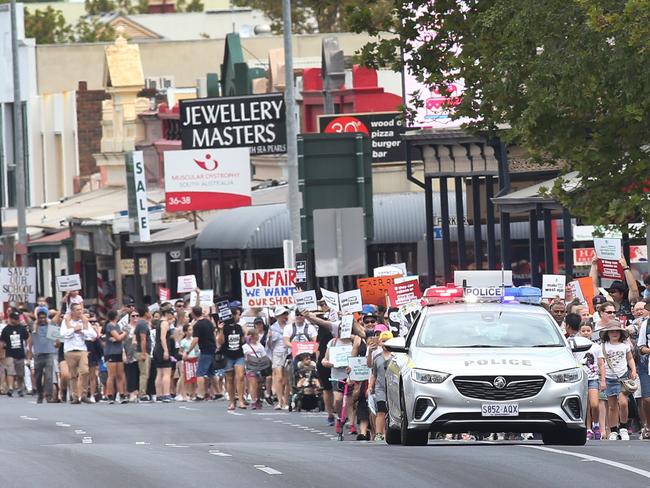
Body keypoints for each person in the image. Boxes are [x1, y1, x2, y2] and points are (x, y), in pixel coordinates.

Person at [596, 320, 637, 440]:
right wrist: (602, 380)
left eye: (617, 331)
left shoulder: (625, 346)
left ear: (621, 333)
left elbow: (630, 359)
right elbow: (601, 364)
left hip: (622, 377)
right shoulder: (603, 346)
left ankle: (623, 427)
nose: (614, 333)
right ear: (607, 333)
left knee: (623, 403)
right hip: (609, 378)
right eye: (611, 331)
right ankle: (613, 429)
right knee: (612, 406)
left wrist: (633, 370)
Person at [303, 310, 339, 426]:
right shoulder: (324, 327)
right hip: (325, 361)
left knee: (341, 390)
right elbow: (319, 346)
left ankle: (342, 414)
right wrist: (318, 362)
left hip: (341, 361)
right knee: (327, 388)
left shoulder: (344, 326)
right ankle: (330, 414)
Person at [568, 316, 601, 440]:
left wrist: (602, 380)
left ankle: (596, 424)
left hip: (593, 378)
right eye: (583, 331)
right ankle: (587, 428)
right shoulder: (574, 345)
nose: (586, 333)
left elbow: (601, 364)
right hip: (581, 379)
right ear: (579, 332)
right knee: (584, 405)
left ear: (592, 331)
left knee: (594, 404)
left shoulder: (596, 347)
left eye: (588, 330)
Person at [60, 303, 97, 404]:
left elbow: (93, 335)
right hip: (69, 350)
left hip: (82, 349)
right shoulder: (66, 321)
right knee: (72, 375)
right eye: (77, 310)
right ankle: (75, 396)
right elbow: (62, 334)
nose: (80, 312)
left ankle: (84, 394)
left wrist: (83, 330)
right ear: (72, 311)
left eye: (81, 310)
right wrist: (73, 329)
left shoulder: (84, 321)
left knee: (85, 371)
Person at [217, 313, 246, 410]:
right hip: (228, 356)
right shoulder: (224, 328)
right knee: (229, 379)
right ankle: (231, 401)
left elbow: (242, 340)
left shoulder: (239, 327)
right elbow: (220, 342)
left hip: (239, 355)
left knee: (240, 376)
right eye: (237, 315)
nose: (239, 317)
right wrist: (220, 330)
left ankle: (241, 400)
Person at [186, 306, 217, 401]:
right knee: (212, 373)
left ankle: (200, 394)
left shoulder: (197, 325)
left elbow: (195, 340)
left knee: (200, 373)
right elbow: (214, 334)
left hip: (205, 350)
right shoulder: (209, 322)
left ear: (193, 314)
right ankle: (219, 392)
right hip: (212, 349)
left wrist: (188, 351)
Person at [368, 330, 393, 442]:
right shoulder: (377, 357)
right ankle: (379, 433)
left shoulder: (397, 356)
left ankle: (391, 432)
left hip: (394, 388)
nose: (385, 343)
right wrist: (370, 386)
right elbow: (374, 374)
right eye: (383, 341)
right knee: (381, 410)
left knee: (392, 411)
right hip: (380, 388)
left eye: (388, 341)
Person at [0, 310, 30, 397]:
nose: (17, 320)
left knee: (20, 373)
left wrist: (28, 351)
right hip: (10, 353)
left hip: (20, 353)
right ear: (11, 319)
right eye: (15, 319)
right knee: (10, 371)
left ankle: (20, 388)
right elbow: (2, 342)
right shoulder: (6, 330)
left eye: (18, 319)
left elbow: (26, 338)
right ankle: (10, 388)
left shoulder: (21, 328)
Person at [31, 307, 58, 403]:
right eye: (40, 318)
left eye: (44, 317)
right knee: (38, 377)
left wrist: (56, 343)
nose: (42, 320)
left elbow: (57, 340)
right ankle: (40, 394)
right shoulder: (33, 326)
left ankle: (49, 396)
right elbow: (26, 317)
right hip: (38, 354)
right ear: (37, 318)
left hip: (49, 354)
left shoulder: (51, 325)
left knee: (49, 376)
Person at [268, 306, 290, 410]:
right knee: (279, 377)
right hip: (277, 353)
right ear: (277, 316)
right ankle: (279, 401)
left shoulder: (290, 326)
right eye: (282, 314)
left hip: (288, 353)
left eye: (285, 314)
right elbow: (269, 345)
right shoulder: (272, 328)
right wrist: (270, 337)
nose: (284, 316)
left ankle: (286, 401)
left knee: (286, 379)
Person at [103, 310, 127, 404]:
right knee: (111, 375)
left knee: (120, 374)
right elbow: (119, 337)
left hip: (118, 351)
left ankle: (121, 394)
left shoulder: (117, 326)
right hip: (111, 352)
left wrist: (120, 336)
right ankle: (110, 395)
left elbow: (119, 338)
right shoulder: (110, 325)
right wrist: (124, 333)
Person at [153, 308, 174, 402]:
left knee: (159, 372)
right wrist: (166, 351)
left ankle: (159, 394)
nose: (172, 315)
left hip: (157, 349)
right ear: (166, 313)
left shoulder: (159, 322)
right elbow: (163, 338)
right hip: (162, 349)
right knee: (166, 373)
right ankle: (166, 394)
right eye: (171, 313)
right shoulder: (164, 323)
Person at [636, 302, 650, 439]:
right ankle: (648, 425)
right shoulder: (646, 325)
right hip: (647, 365)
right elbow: (640, 348)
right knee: (647, 399)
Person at [242, 329, 267, 409]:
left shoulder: (260, 346)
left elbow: (264, 356)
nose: (258, 336)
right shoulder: (245, 347)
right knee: (253, 384)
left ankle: (258, 399)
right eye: (256, 335)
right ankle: (253, 401)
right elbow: (242, 358)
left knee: (259, 385)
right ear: (252, 336)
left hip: (260, 367)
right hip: (250, 368)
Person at [134, 308, 152, 402]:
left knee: (144, 373)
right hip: (142, 351)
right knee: (144, 374)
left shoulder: (140, 323)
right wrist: (144, 353)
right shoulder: (142, 324)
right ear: (145, 313)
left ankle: (143, 392)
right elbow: (143, 339)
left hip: (142, 351)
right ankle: (142, 393)